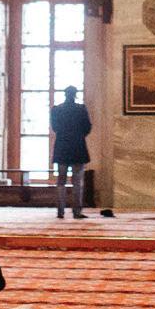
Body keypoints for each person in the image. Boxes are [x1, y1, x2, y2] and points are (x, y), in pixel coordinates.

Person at [50, 84, 93, 220]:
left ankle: (60, 211)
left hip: (62, 147)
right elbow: (87, 127)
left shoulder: (56, 109)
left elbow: (55, 128)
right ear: (75, 95)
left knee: (61, 181)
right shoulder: (81, 109)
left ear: (65, 94)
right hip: (77, 147)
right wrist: (78, 136)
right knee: (77, 182)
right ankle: (77, 212)